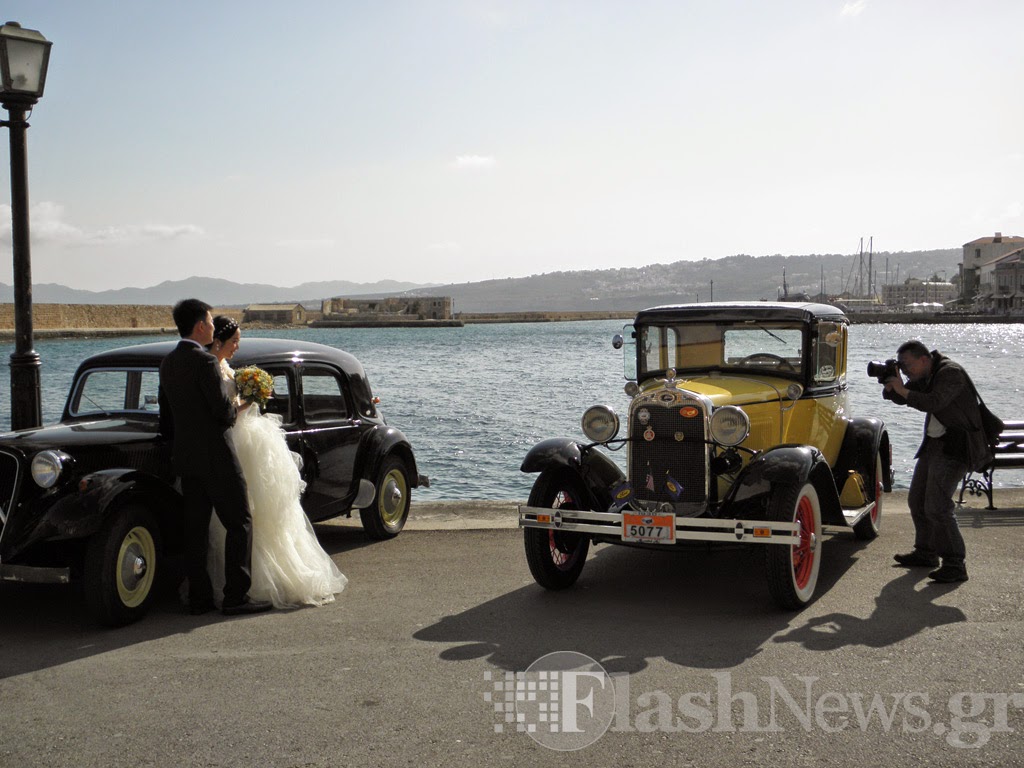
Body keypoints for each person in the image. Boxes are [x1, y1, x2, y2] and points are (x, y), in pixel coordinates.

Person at [204, 315, 347, 607]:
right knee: (243, 513)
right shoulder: (211, 368)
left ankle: (253, 579)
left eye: (238, 343)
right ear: (219, 340)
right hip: (236, 441)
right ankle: (242, 583)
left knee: (266, 511)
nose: (236, 348)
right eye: (233, 342)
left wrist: (252, 394)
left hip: (244, 438)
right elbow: (226, 411)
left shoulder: (221, 366)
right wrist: (250, 400)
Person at [158, 299, 272, 616]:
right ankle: (236, 596)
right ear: (200, 326)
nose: (212, 325)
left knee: (195, 531)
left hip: (186, 457)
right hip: (216, 456)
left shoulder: (167, 363)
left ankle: (200, 598)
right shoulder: (205, 364)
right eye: (209, 321)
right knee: (240, 521)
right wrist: (246, 404)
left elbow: (165, 420)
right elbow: (223, 415)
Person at [881, 340, 992, 584]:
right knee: (917, 501)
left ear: (923, 359)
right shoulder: (927, 373)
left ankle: (955, 563)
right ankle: (926, 552)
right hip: (934, 445)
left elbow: (933, 402)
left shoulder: (949, 373)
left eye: (907, 365)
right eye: (902, 366)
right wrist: (891, 386)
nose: (907, 370)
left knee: (937, 506)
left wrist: (902, 390)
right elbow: (906, 397)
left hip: (956, 448)